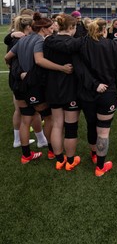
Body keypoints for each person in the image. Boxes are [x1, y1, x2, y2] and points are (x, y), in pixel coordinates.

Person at [44, 18, 117, 177]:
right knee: (103, 131)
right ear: (104, 30)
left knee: (91, 124)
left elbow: (77, 67)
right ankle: (100, 165)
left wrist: (48, 37)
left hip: (87, 93)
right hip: (106, 93)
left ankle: (94, 155)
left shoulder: (81, 43)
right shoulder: (112, 44)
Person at [4, 13, 73, 164]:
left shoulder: (23, 39)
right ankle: (51, 151)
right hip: (34, 86)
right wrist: (62, 68)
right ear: (42, 29)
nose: (52, 29)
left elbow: (7, 57)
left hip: (21, 86)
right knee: (48, 118)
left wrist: (14, 68)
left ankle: (26, 155)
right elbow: (40, 60)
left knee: (25, 119)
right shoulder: (39, 41)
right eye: (49, 27)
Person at [43, 14, 81, 171]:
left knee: (57, 124)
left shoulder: (48, 41)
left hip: (53, 88)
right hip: (71, 89)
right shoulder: (76, 43)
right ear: (71, 27)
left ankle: (59, 159)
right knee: (70, 127)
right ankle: (70, 160)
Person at [4, 13, 47, 149]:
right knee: (27, 112)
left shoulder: (18, 37)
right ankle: (26, 141)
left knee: (24, 111)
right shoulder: (22, 39)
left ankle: (38, 140)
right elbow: (14, 59)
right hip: (22, 78)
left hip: (18, 77)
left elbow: (7, 57)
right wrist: (19, 72)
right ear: (29, 26)